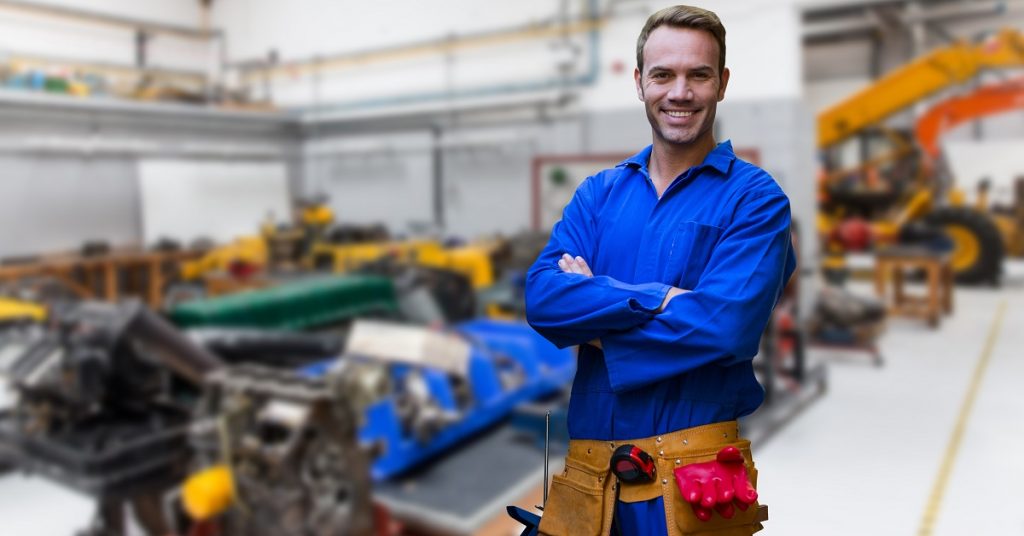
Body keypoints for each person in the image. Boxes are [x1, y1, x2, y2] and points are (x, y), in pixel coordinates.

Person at [524, 5, 796, 536]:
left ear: (722, 83)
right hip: (590, 483)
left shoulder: (755, 200)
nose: (680, 92)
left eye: (699, 75)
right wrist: (661, 298)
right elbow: (543, 298)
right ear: (639, 82)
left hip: (694, 484)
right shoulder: (598, 195)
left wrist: (596, 319)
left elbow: (724, 329)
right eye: (663, 75)